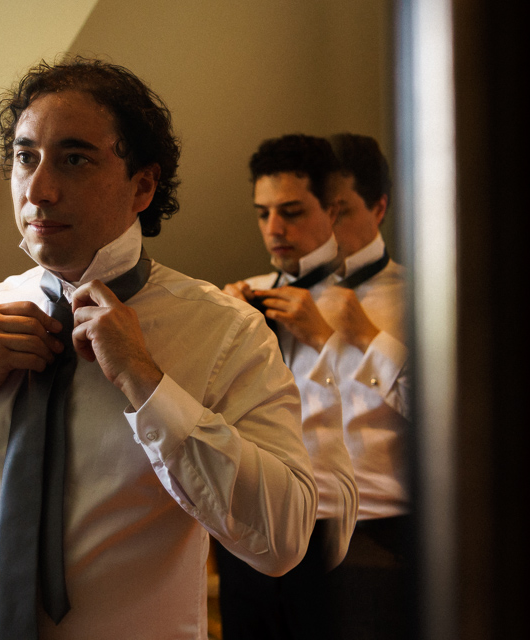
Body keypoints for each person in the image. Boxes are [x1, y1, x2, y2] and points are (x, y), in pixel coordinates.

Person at [0, 57, 317, 640]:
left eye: (75, 159)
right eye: (24, 157)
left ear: (142, 186)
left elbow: (283, 540)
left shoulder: (226, 332)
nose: (38, 189)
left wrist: (147, 383)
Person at [217, 134, 359, 640]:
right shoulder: (239, 302)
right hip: (249, 523)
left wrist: (328, 339)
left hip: (335, 530)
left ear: (333, 210)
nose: (274, 230)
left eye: (292, 212)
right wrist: (225, 333)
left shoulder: (382, 303)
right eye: (263, 213)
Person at [322, 133, 412, 639]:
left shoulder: (423, 300)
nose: (326, 231)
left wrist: (365, 337)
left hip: (381, 540)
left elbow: (448, 420)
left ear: (378, 208)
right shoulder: (275, 300)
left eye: (342, 212)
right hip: (296, 535)